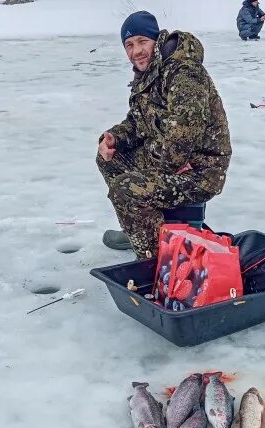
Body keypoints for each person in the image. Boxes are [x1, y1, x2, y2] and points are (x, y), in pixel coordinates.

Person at [98, 11, 232, 258]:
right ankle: (140, 229)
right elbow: (138, 123)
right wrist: (113, 138)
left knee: (125, 190)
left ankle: (160, 261)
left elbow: (182, 137)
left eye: (142, 41)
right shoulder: (149, 73)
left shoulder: (184, 72)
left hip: (199, 169)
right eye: (129, 45)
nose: (136, 50)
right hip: (172, 159)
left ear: (156, 39)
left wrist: (163, 167)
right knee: (110, 157)